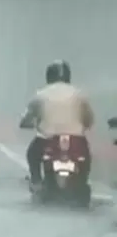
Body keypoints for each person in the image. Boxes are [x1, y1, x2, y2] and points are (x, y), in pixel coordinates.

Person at [19, 60, 94, 191]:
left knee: (32, 154)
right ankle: (82, 181)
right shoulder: (79, 94)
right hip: (76, 139)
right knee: (86, 157)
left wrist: (28, 124)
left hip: (47, 138)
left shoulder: (40, 94)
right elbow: (89, 119)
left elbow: (27, 118)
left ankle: (36, 181)